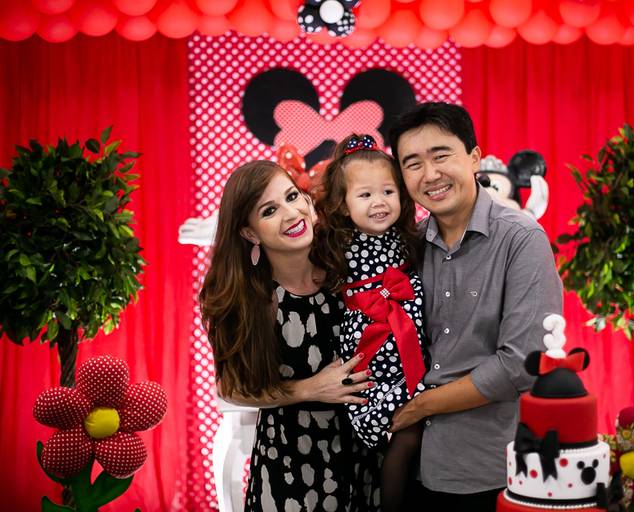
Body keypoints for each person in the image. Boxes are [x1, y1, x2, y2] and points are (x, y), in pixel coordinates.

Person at [387, 102, 564, 510]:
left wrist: (420, 406)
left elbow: (521, 363)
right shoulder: (408, 245)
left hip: (488, 470)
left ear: (473, 157)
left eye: (441, 155)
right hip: (408, 463)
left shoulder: (521, 239)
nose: (430, 174)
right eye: (412, 163)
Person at [199, 160, 383, 512]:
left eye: (292, 196)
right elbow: (231, 388)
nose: (290, 214)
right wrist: (310, 388)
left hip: (363, 456)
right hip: (290, 466)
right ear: (250, 233)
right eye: (269, 211)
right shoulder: (249, 298)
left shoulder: (347, 269)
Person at [313, 134, 428, 512]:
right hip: (376, 355)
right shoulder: (338, 244)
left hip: (411, 348)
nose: (379, 202)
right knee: (406, 435)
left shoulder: (410, 238)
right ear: (343, 205)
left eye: (388, 192)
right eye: (365, 195)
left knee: (418, 435)